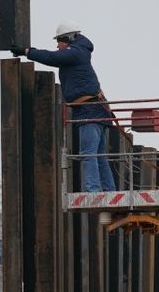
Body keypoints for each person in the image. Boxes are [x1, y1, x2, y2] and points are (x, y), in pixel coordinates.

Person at [22, 22, 117, 192]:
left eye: (59, 41)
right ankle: (109, 190)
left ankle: (93, 192)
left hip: (89, 111)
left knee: (89, 154)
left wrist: (28, 52)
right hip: (96, 111)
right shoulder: (78, 53)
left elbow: (52, 57)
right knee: (99, 155)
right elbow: (55, 58)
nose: (57, 46)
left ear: (67, 39)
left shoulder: (76, 53)